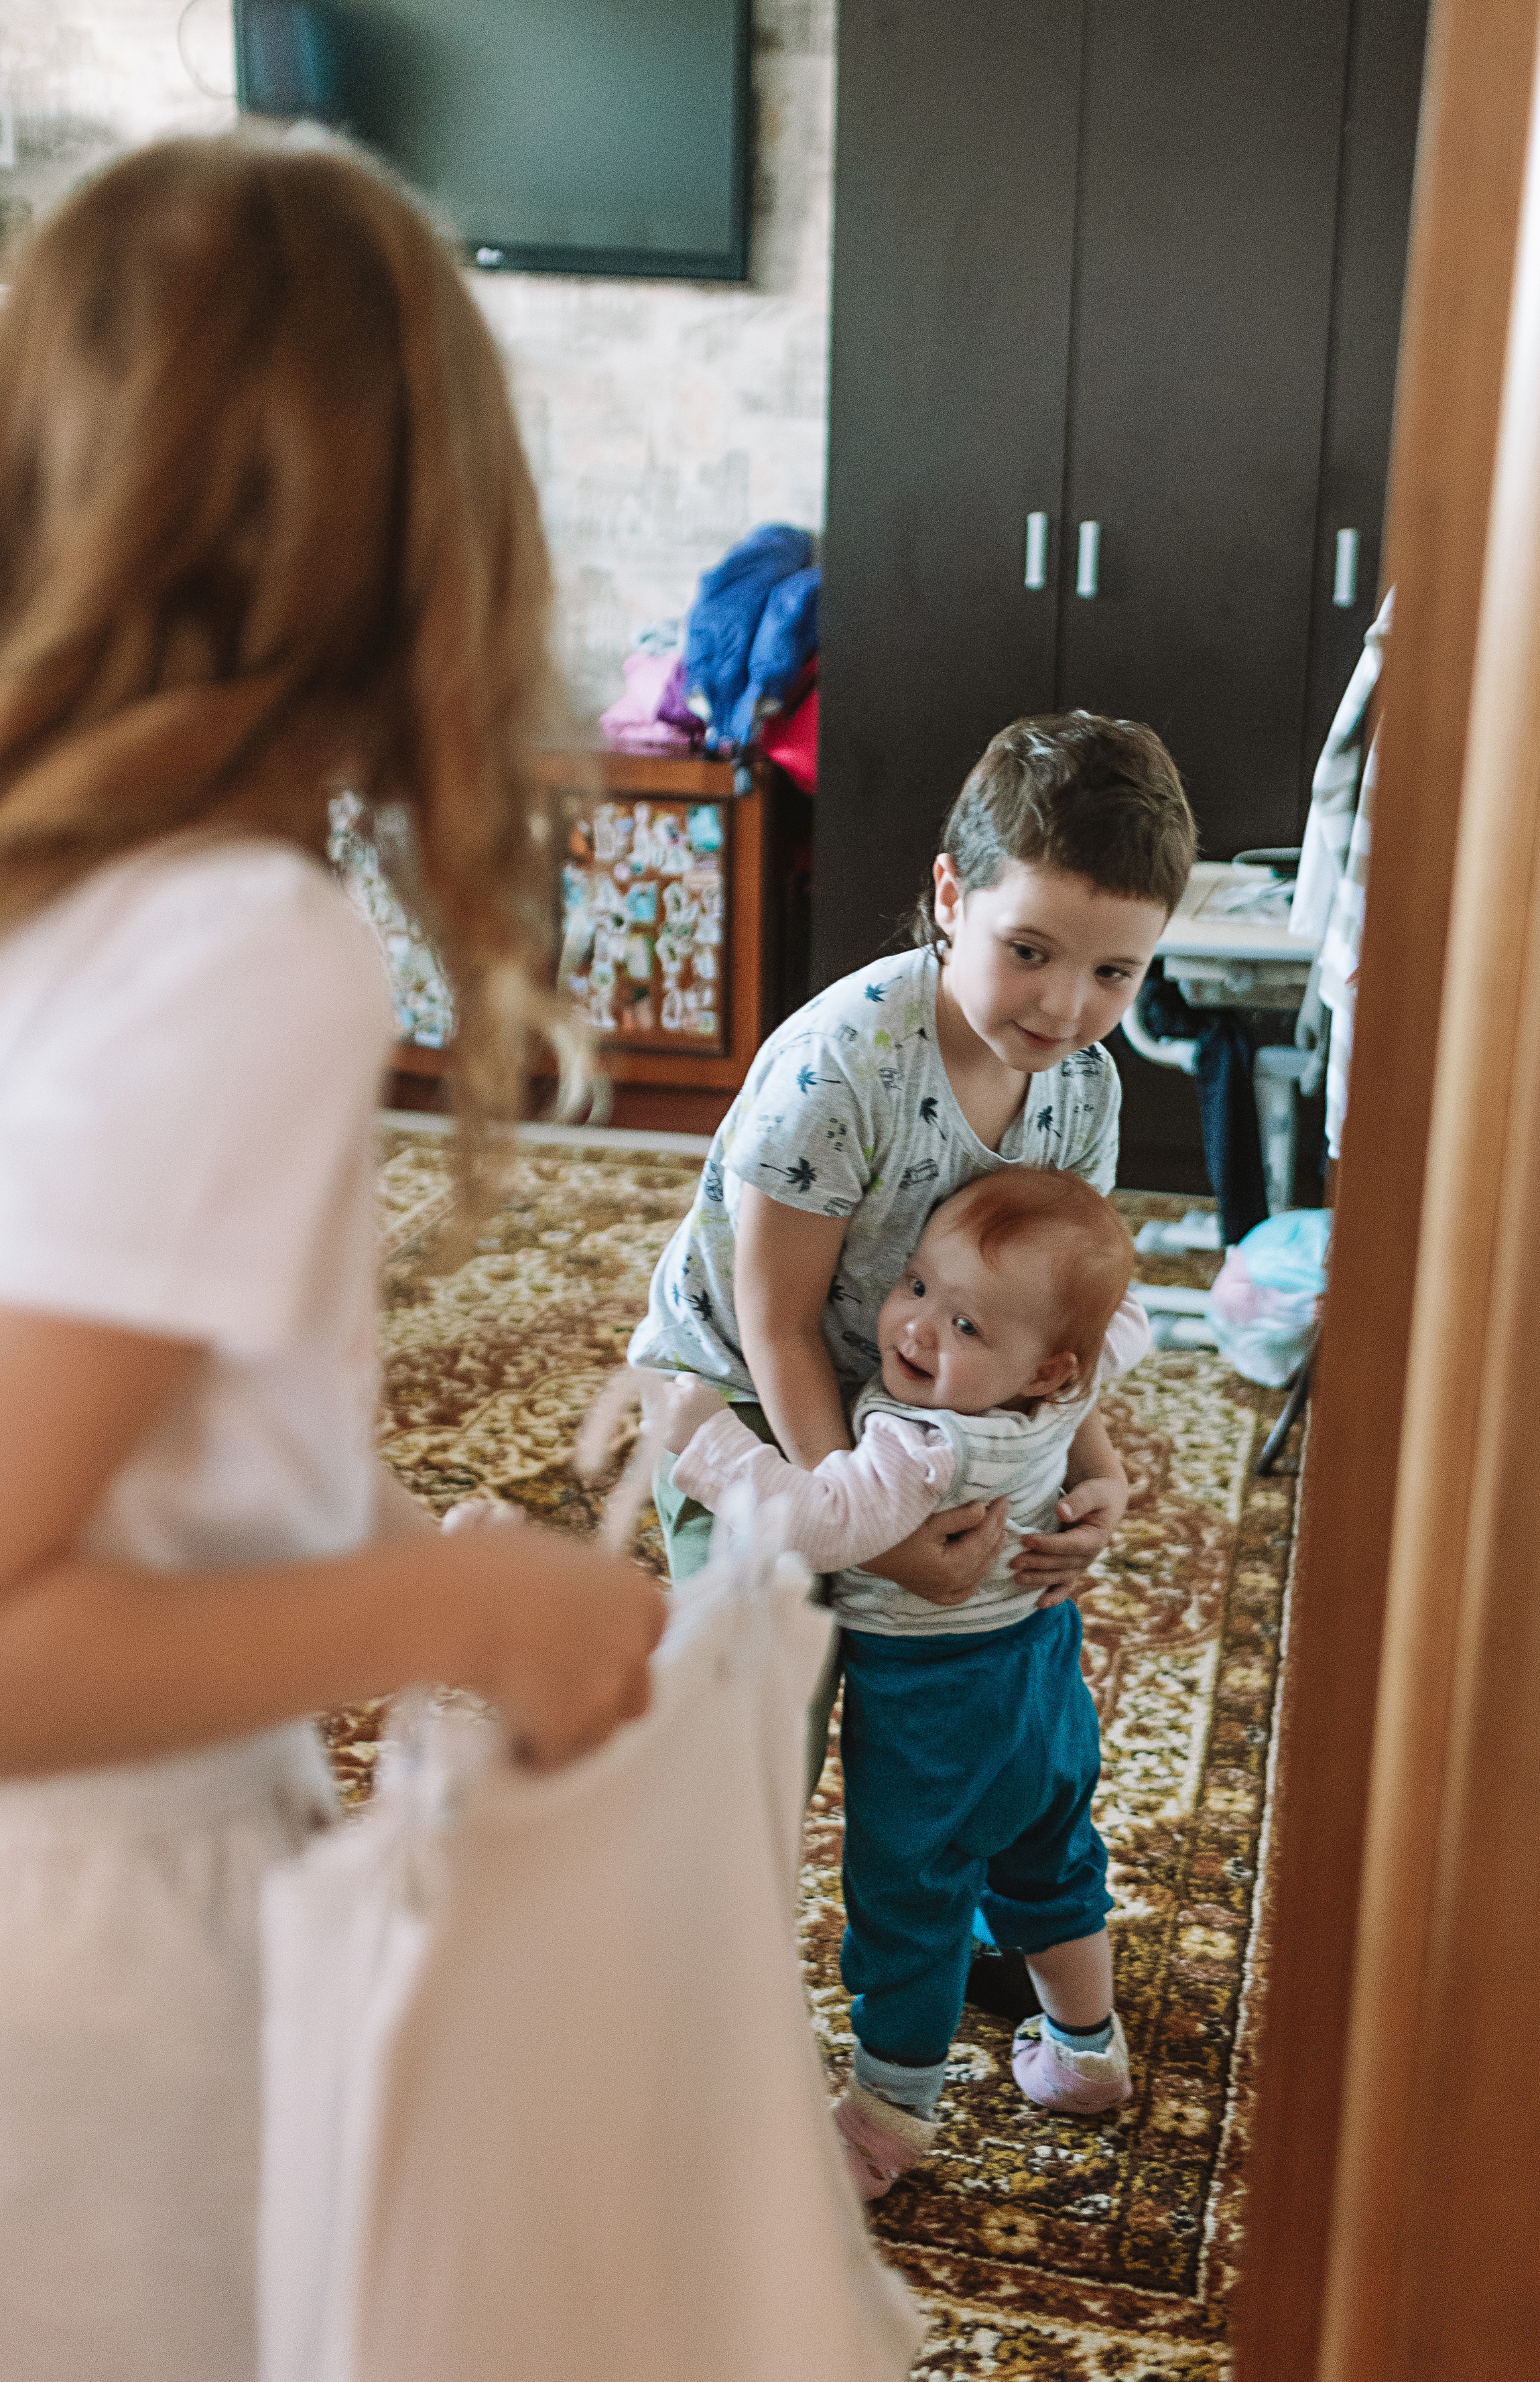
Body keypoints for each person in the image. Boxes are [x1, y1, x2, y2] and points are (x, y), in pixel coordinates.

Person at [0, 135, 665, 2382]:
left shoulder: (59, 898)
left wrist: (368, 1525)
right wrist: (465, 1608)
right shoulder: (243, 941)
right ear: (423, 533)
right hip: (81, 1972)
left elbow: (122, 1435)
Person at [628, 707, 1198, 1621]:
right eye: (1028, 951)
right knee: (758, 1696)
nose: (1064, 1005)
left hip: (926, 1401)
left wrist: (1098, 1467)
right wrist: (863, 1530)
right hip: (747, 1405)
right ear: (950, 896)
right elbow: (777, 1325)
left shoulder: (1086, 1089)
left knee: (957, 1683)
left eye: (1113, 975)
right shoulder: (842, 1070)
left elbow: (1060, 1307)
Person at [659, 1166, 1150, 2199]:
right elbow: (1130, 1324)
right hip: (1042, 1683)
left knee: (910, 1906)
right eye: (917, 1285)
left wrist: (703, 1444)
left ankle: (886, 2125)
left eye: (969, 1328)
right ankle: (1087, 2052)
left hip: (932, 1713)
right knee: (1053, 1862)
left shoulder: (918, 1443)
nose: (918, 1330)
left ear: (1048, 1367)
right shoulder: (1073, 1387)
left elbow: (821, 1516)